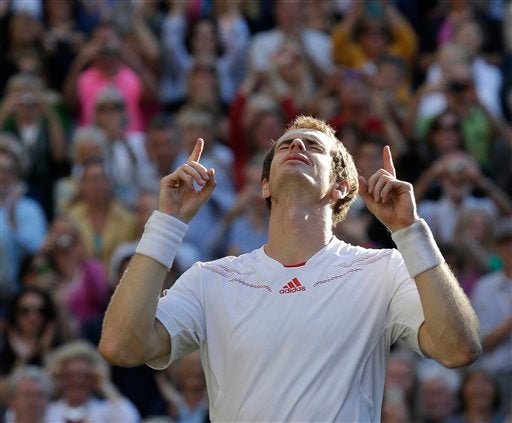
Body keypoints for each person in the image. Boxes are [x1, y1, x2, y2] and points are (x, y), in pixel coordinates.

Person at [100, 115, 481, 422]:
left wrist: (410, 231)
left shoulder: (382, 269)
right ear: (265, 186)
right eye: (286, 145)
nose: (297, 146)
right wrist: (167, 223)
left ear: (340, 187)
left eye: (313, 146)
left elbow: (458, 349)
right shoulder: (208, 279)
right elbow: (121, 346)